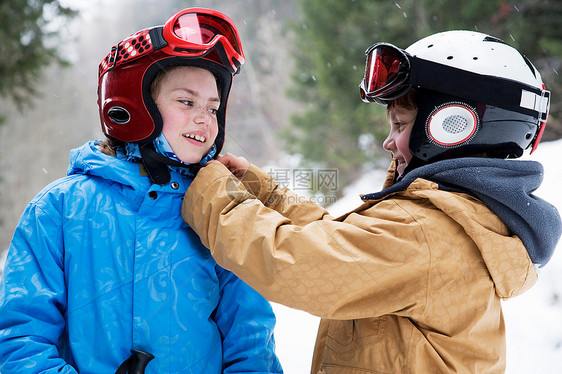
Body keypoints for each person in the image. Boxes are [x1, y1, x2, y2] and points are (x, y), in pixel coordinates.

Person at [180, 30, 561, 373]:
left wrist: (212, 191)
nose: (388, 141)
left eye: (400, 124)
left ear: (452, 126)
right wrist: (260, 190)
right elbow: (340, 241)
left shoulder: (426, 233)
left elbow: (299, 264)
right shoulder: (457, 222)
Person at [0, 8, 282, 374]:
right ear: (132, 104)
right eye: (186, 101)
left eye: (213, 108)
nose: (204, 118)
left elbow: (251, 342)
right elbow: (21, 339)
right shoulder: (58, 210)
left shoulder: (221, 212)